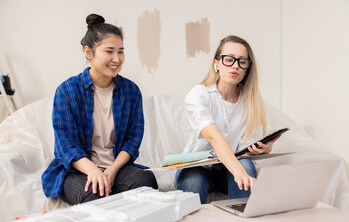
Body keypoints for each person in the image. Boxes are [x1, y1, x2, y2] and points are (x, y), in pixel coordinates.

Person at [41, 14, 157, 205]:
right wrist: (94, 171)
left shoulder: (131, 91)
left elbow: (133, 139)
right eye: (109, 51)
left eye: (121, 51)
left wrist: (112, 170)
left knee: (146, 182)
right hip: (77, 171)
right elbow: (66, 145)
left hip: (116, 168)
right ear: (89, 53)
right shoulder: (68, 91)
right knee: (95, 194)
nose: (116, 59)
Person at [176, 35, 280, 204]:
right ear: (216, 63)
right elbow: (214, 137)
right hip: (198, 168)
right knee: (194, 179)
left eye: (242, 61)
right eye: (229, 59)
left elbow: (246, 149)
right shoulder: (198, 95)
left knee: (246, 165)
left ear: (247, 69)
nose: (235, 66)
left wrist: (264, 148)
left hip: (230, 171)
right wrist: (238, 171)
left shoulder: (251, 103)